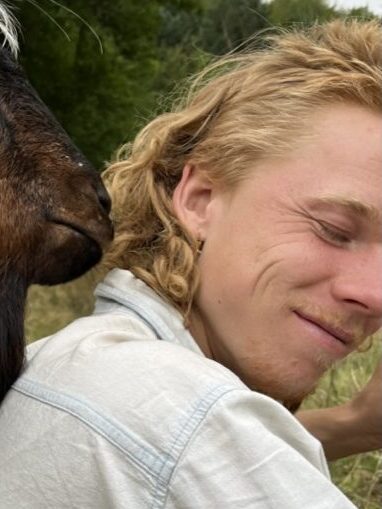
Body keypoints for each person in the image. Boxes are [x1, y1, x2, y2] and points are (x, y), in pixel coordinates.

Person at [0, 19, 381, 508]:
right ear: (200, 199)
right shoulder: (192, 422)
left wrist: (352, 425)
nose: (374, 295)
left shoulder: (72, 360)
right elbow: (183, 443)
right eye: (333, 229)